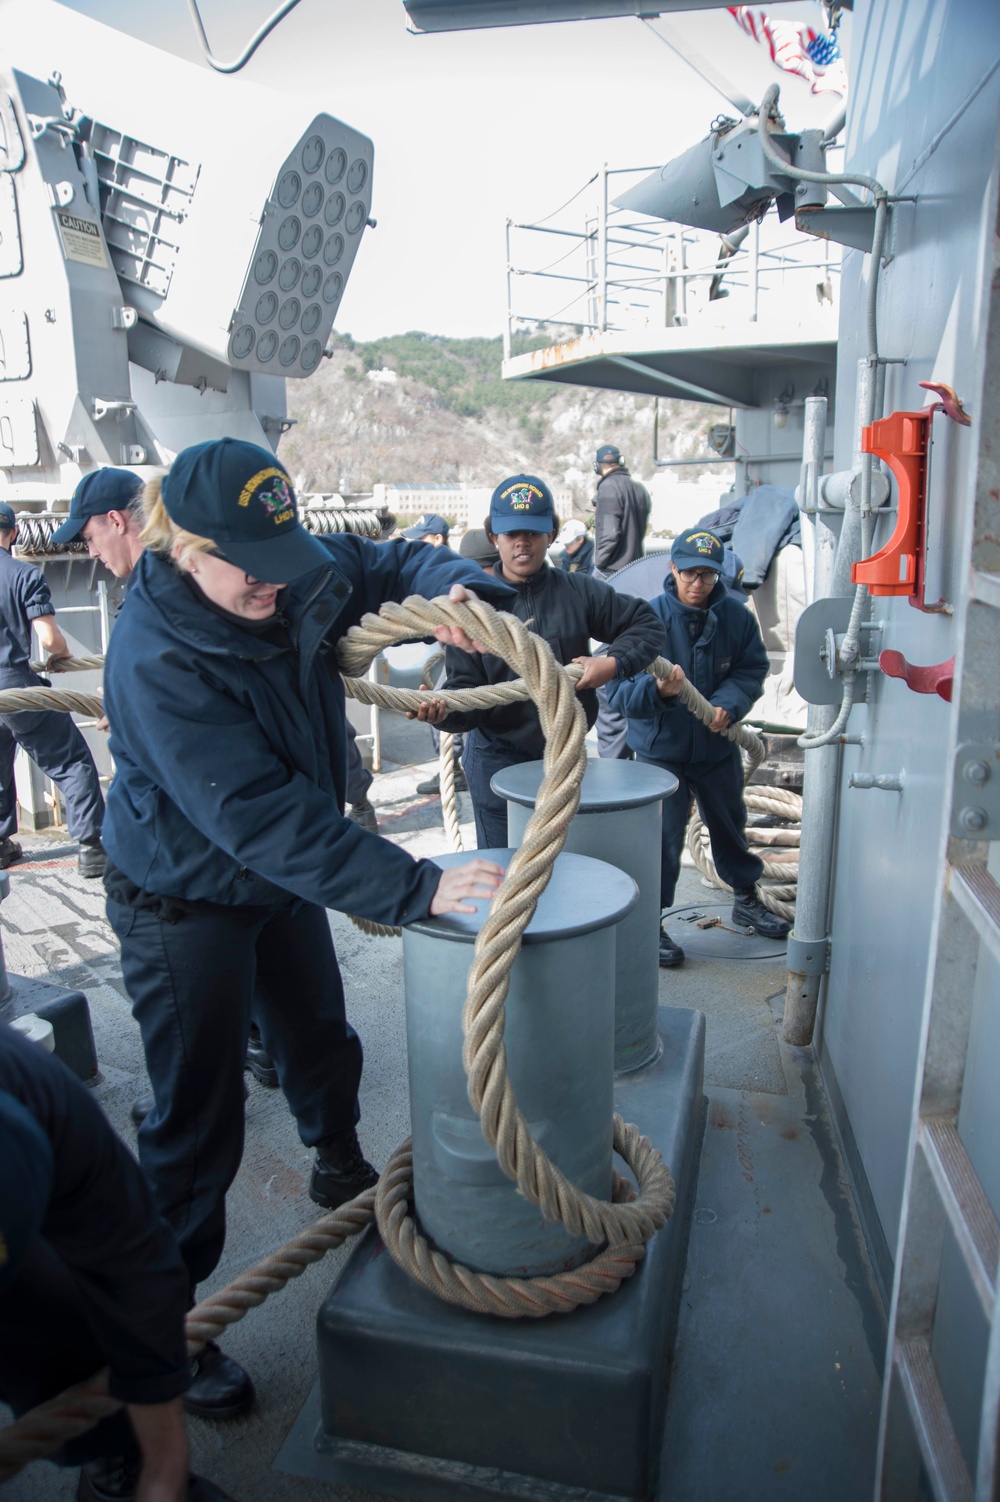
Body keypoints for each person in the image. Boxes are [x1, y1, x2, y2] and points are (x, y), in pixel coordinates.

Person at [99, 438, 510, 1417]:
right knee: (197, 1121)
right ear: (183, 546)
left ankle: (338, 1163)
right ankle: (163, 1341)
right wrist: (413, 887)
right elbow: (257, 816)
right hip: (184, 899)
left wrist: (461, 588)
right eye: (250, 566)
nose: (273, 586)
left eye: (281, 559)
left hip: (276, 882)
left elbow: (396, 559)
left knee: (319, 1032)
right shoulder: (156, 659)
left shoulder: (279, 568)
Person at [0, 1023, 236, 1502]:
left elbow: (132, 1259)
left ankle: (116, 1459)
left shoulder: (32, 1087)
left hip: (32, 1182)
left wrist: (165, 1463)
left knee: (76, 1303)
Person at [420, 474, 665, 850]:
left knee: (565, 867)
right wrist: (444, 712)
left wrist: (611, 664)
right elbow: (465, 693)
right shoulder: (474, 608)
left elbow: (647, 625)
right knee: (504, 873)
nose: (522, 542)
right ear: (493, 538)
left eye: (533, 533)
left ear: (550, 535)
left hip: (564, 753)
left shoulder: (579, 592)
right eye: (511, 533)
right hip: (495, 758)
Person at [606, 527, 792, 968]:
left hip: (716, 749)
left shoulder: (737, 619)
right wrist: (661, 693)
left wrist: (729, 703)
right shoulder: (643, 621)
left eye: (707, 575)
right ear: (672, 567)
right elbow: (616, 694)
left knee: (729, 827)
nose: (697, 584)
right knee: (661, 842)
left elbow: (751, 670)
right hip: (659, 754)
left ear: (717, 576)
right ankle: (649, 924)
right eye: (689, 572)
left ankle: (745, 898)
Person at [0, 502, 106, 876]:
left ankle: (0, 844)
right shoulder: (22, 574)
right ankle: (92, 846)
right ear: (13, 534)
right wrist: (61, 655)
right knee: (70, 760)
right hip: (16, 687)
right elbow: (48, 638)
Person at [399, 512, 468, 796]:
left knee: (442, 706)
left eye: (421, 539)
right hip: (453, 652)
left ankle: (452, 769)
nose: (416, 546)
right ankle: (453, 769)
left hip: (464, 654)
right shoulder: (437, 568)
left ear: (438, 539)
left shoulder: (451, 570)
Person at [52, 468, 146, 578]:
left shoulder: (150, 590)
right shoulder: (165, 574)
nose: (93, 553)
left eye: (90, 538)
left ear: (117, 522)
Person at [591, 445, 650, 574]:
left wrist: (598, 563)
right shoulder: (640, 489)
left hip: (613, 570)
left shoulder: (608, 487)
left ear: (597, 466)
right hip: (635, 567)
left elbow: (610, 533)